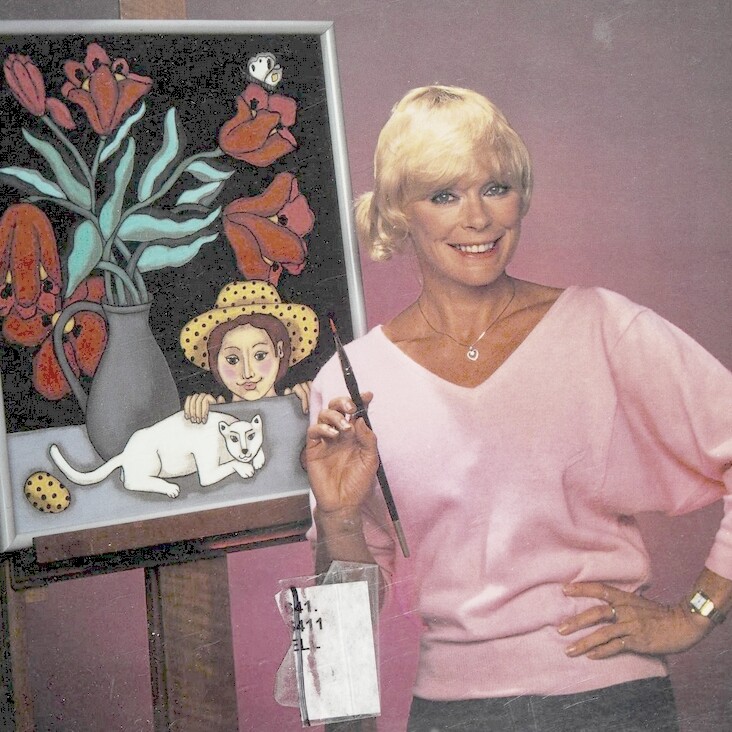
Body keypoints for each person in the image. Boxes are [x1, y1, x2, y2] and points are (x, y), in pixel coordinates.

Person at [303, 86, 732, 731]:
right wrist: (338, 518)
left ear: (521, 196)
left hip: (612, 702)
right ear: (398, 212)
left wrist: (695, 612)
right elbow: (340, 641)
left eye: (495, 188)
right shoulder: (350, 381)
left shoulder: (601, 326)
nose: (477, 218)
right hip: (450, 714)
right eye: (444, 195)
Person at [179, 280, 318, 422]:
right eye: (232, 360)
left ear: (279, 350)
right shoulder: (211, 412)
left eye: (260, 356)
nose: (247, 373)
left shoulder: (300, 401)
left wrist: (314, 400)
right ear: (215, 359)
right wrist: (199, 419)